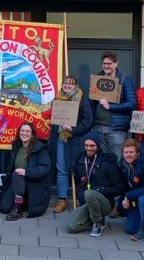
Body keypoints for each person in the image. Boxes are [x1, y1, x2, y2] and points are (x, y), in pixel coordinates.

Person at [65, 132, 124, 237]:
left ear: (98, 146)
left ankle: (98, 223)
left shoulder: (108, 162)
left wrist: (99, 190)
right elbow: (77, 180)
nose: (89, 148)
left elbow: (120, 187)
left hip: (104, 202)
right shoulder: (80, 160)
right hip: (86, 202)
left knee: (89, 193)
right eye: (86, 145)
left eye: (92, 146)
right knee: (71, 227)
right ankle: (95, 219)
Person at [50, 74, 93, 213]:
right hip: (61, 139)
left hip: (77, 139)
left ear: (76, 86)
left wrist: (73, 129)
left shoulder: (81, 99)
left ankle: (80, 198)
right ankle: (62, 199)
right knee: (62, 169)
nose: (67, 85)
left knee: (78, 169)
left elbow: (88, 121)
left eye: (71, 83)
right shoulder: (57, 99)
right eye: (65, 83)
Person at [89, 51, 137, 161]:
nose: (106, 66)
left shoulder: (124, 80)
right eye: (104, 63)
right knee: (100, 162)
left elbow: (132, 104)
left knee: (117, 161)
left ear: (116, 64)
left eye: (109, 63)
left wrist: (111, 107)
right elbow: (92, 102)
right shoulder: (97, 78)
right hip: (98, 128)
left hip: (116, 130)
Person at [0, 122, 50, 220]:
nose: (24, 133)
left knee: (18, 173)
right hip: (17, 183)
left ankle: (18, 208)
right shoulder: (16, 146)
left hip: (34, 184)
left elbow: (45, 168)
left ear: (32, 134)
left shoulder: (40, 149)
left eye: (27, 131)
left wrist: (27, 172)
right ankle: (22, 201)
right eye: (22, 131)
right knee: (4, 208)